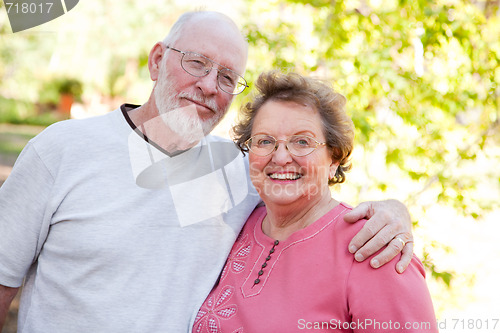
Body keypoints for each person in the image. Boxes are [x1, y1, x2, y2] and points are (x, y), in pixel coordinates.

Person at [0, 11, 413, 332]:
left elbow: (313, 197)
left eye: (228, 77)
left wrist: (394, 210)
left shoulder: (243, 169)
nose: (210, 85)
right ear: (158, 60)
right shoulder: (60, 151)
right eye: (197, 63)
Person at [193, 71, 437, 332]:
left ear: (334, 159)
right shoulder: (237, 220)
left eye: (302, 142)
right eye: (265, 141)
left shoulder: (374, 246)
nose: (281, 157)